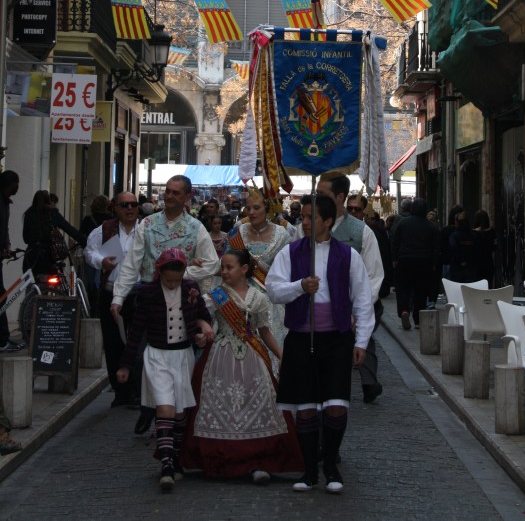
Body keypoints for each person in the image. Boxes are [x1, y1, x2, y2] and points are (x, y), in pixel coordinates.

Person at [266, 193, 374, 494]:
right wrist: (300, 287)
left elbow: (362, 300)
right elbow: (273, 290)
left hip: (336, 339)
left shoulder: (347, 255)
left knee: (336, 405)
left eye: (312, 218)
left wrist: (361, 341)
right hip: (302, 337)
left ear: (328, 221)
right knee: (306, 407)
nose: (305, 222)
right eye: (304, 217)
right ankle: (309, 468)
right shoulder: (291, 253)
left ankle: (330, 463)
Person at [183, 248, 303, 483]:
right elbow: (201, 319)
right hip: (220, 355)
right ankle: (220, 458)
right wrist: (203, 330)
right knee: (220, 402)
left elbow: (264, 331)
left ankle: (260, 459)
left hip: (252, 357)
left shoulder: (258, 298)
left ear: (244, 269)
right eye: (223, 267)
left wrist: (281, 355)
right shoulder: (215, 296)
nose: (225, 271)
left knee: (255, 403)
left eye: (230, 267)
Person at [111, 175, 220, 435]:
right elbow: (132, 262)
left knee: (177, 360)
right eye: (167, 192)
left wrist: (185, 276)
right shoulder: (147, 224)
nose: (169, 196)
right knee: (140, 356)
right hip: (150, 299)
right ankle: (151, 407)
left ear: (187, 197)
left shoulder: (196, 228)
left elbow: (212, 263)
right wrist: (118, 297)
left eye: (175, 193)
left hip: (182, 303)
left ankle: (166, 411)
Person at [117, 249, 213, 493]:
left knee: (180, 412)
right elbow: (136, 330)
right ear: (159, 274)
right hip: (157, 356)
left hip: (183, 356)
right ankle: (167, 465)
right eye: (168, 280)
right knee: (165, 407)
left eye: (176, 280)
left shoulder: (191, 289)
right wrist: (126, 364)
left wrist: (202, 330)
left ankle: (177, 456)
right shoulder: (147, 293)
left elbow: (202, 316)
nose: (172, 284)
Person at [317, 173, 384, 404]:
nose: (317, 200)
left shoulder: (362, 232)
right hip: (319, 307)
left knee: (362, 339)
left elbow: (373, 274)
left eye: (322, 195)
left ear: (339, 197)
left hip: (353, 303)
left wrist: (359, 309)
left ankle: (366, 383)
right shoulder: (308, 229)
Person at [85, 191, 141, 407]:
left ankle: (136, 389)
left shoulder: (145, 230)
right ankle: (120, 390)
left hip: (137, 294)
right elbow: (90, 253)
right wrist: (102, 262)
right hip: (111, 292)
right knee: (113, 343)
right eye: (124, 205)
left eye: (133, 205)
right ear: (115, 208)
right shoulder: (104, 230)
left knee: (136, 342)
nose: (129, 209)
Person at [224, 188, 293, 348]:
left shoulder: (282, 235)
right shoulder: (236, 234)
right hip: (239, 301)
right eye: (248, 208)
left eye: (256, 208)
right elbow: (225, 266)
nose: (251, 212)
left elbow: (289, 271)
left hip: (271, 304)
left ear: (267, 209)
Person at [390, 197, 440, 329]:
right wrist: (434, 263)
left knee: (403, 288)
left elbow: (395, 242)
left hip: (404, 260)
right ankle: (418, 319)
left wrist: (394, 259)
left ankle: (404, 310)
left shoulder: (403, 223)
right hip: (424, 262)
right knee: (421, 291)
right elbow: (436, 247)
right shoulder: (431, 227)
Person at [22, 189, 86, 278]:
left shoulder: (28, 214)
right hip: (48, 258)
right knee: (51, 284)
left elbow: (25, 238)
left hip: (31, 257)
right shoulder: (52, 213)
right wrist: (85, 241)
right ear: (48, 200)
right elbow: (70, 230)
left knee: (31, 286)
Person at [0, 170, 23, 353]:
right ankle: (2, 339)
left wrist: (7, 244)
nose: (19, 187)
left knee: (2, 296)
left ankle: (3, 337)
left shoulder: (6, 202)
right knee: (1, 296)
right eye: (17, 183)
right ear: (10, 184)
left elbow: (4, 227)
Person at [448, 211, 478, 283]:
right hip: (471, 267)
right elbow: (477, 250)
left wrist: (461, 260)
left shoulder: (454, 236)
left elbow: (453, 249)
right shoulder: (474, 236)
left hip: (457, 267)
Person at [473, 209, 497, 286]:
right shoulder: (492, 232)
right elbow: (495, 247)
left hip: (476, 264)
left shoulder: (473, 233)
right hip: (488, 263)